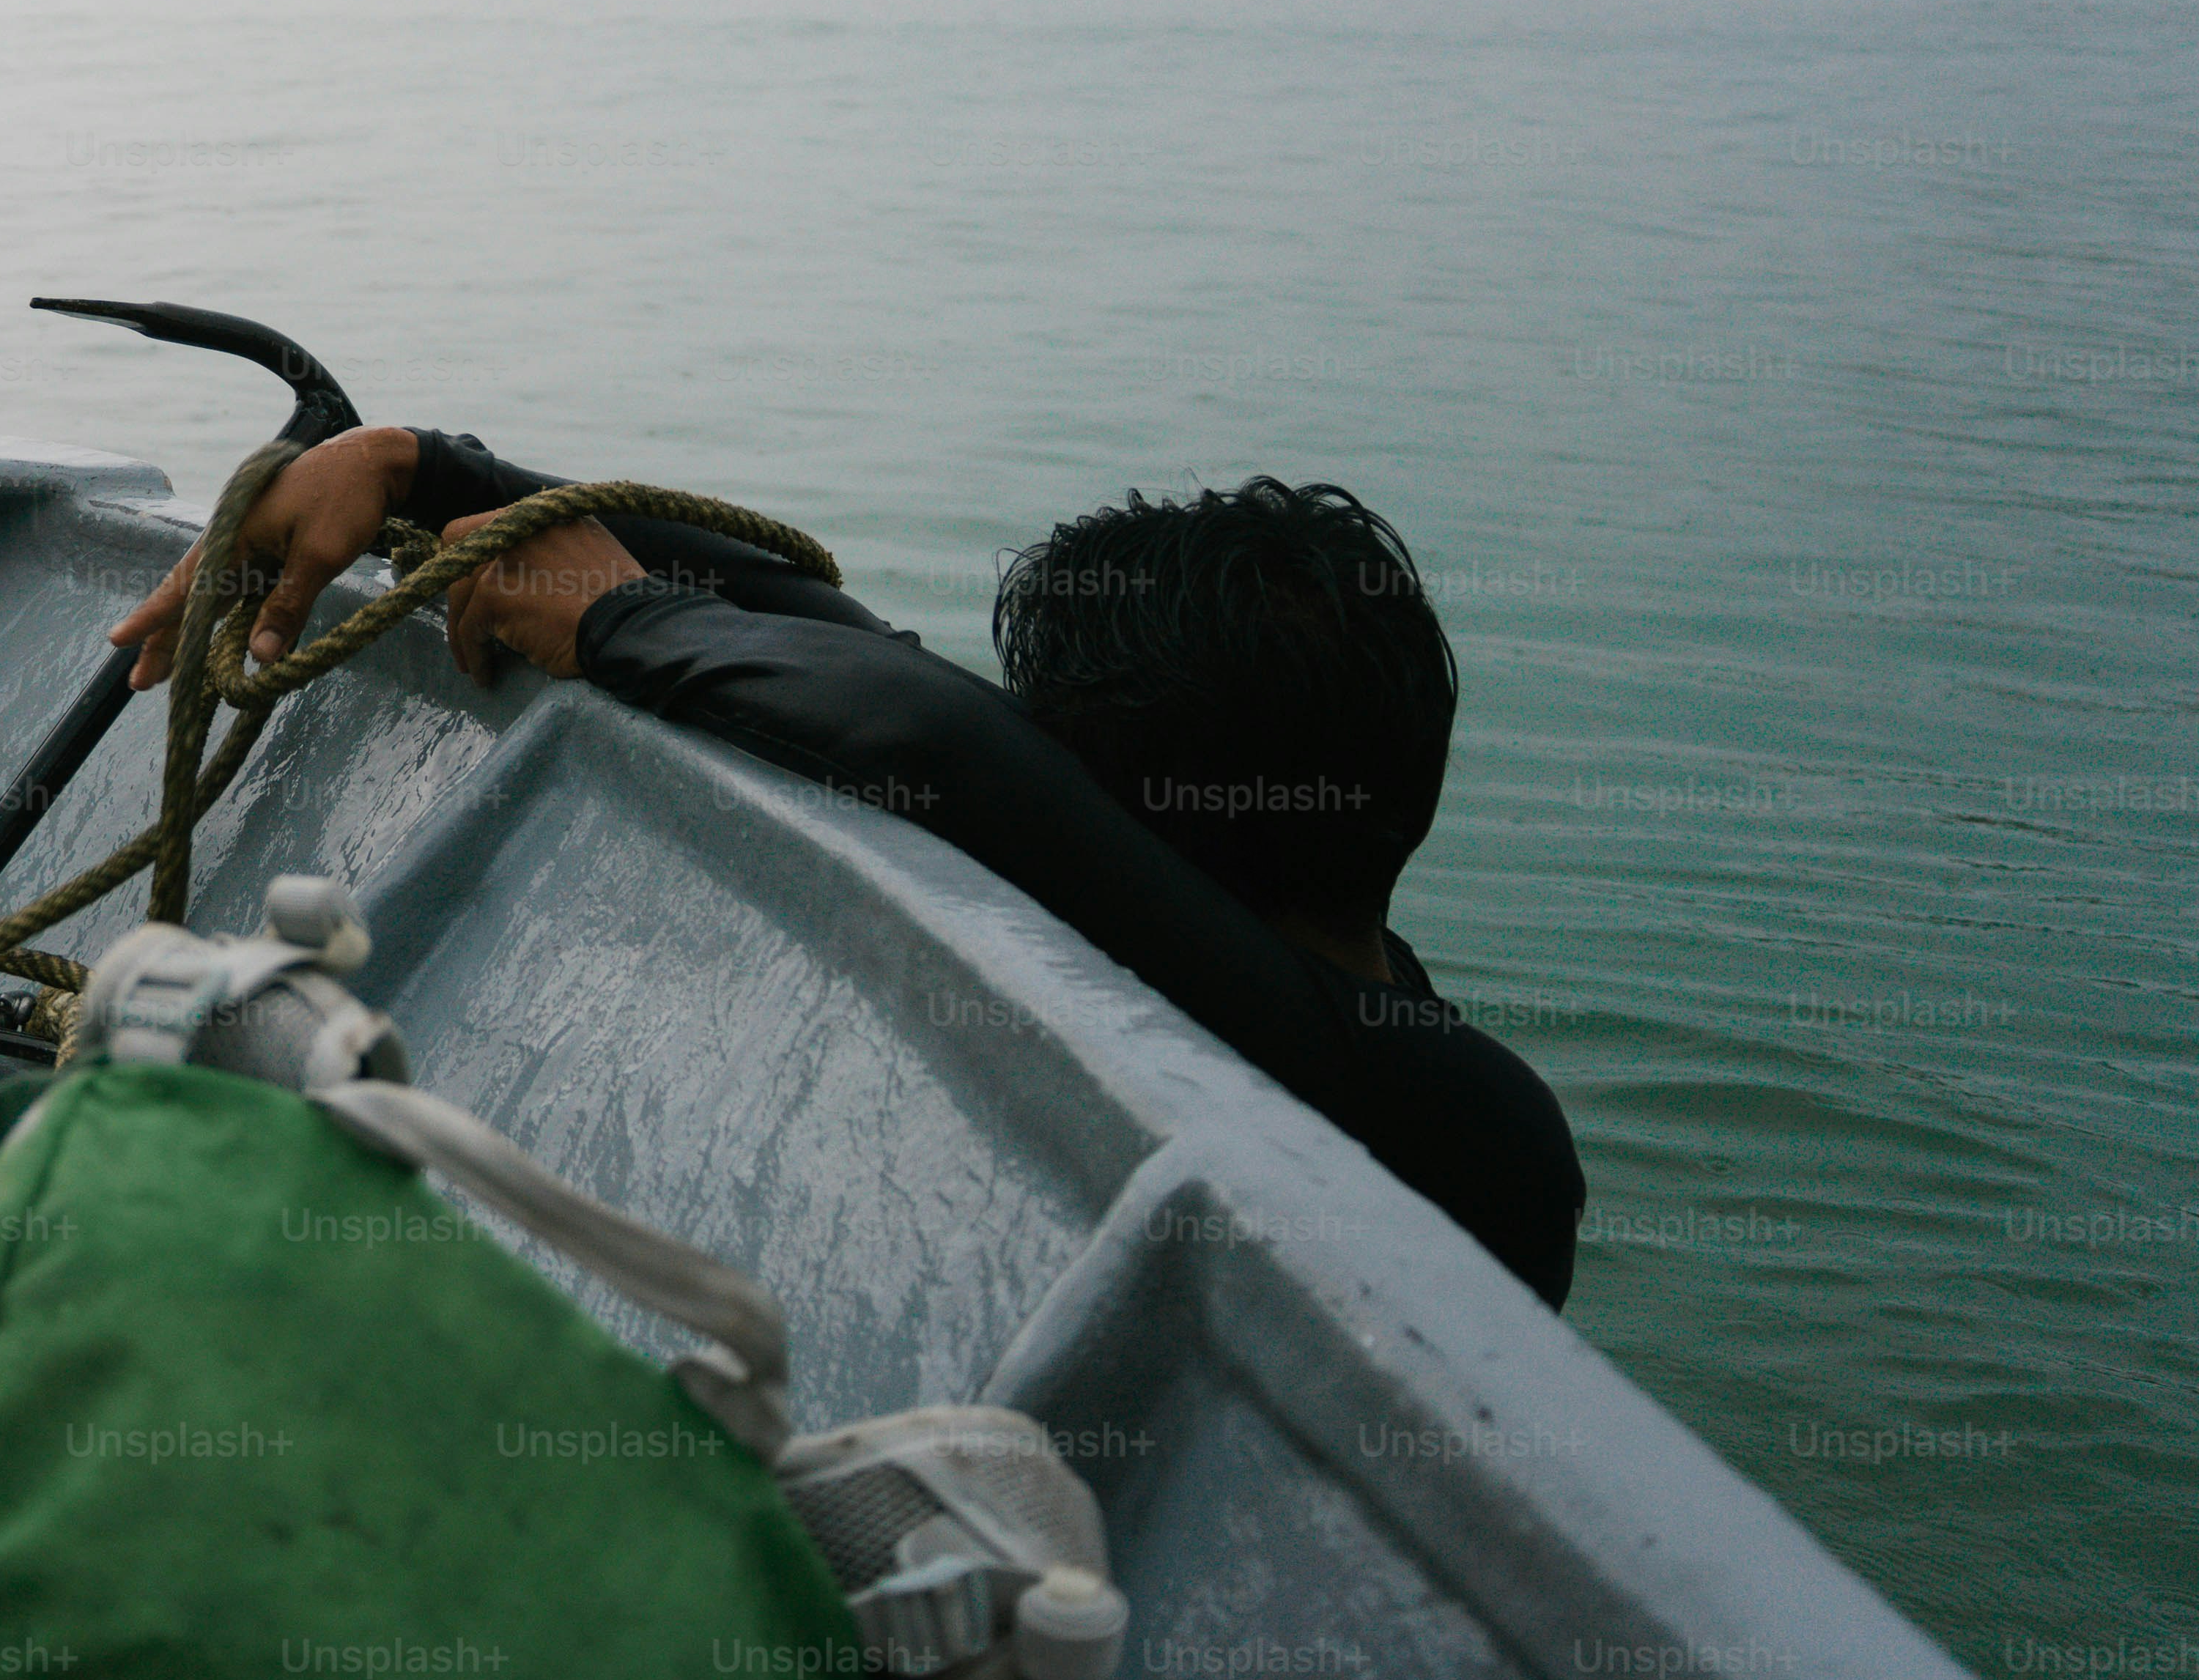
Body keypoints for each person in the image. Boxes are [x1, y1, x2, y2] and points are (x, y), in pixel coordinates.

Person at [110, 425, 1584, 1308]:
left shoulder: (1470, 1132)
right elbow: (851, 645)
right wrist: (424, 468)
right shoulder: (1281, 946)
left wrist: (619, 627)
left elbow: (928, 732)